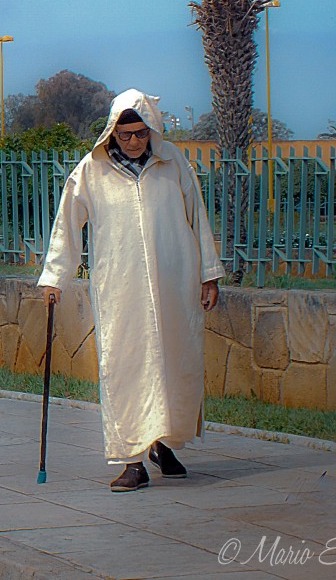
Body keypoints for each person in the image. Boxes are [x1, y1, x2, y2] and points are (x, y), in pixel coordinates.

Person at [38, 89, 223, 492]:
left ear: (152, 129)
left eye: (141, 133)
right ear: (112, 134)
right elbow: (66, 226)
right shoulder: (92, 170)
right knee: (124, 366)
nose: (135, 142)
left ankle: (161, 444)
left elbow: (198, 218)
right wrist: (55, 278)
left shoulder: (173, 162)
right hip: (121, 288)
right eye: (126, 135)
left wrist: (209, 273)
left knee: (174, 363)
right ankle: (131, 460)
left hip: (174, 283)